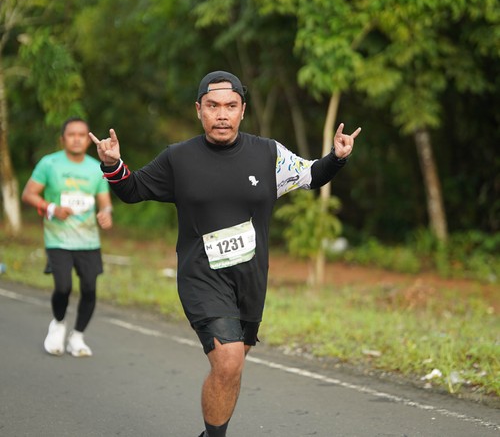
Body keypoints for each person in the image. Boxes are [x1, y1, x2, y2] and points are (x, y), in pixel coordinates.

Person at [89, 71, 361, 436]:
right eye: (213, 106)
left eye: (230, 106)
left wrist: (337, 157)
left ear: (242, 111)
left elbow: (311, 174)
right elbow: (133, 189)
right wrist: (112, 164)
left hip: (251, 279)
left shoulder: (268, 153)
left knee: (231, 367)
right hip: (202, 276)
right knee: (229, 361)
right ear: (198, 110)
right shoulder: (178, 158)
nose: (221, 114)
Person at [22, 117, 113, 357]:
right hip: (58, 238)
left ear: (88, 140)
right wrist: (51, 208)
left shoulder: (96, 167)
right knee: (63, 287)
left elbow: (105, 203)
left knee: (90, 289)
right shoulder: (49, 163)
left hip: (88, 240)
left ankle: (77, 336)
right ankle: (59, 324)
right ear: (62, 139)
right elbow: (28, 194)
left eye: (81, 135)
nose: (76, 139)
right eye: (71, 134)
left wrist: (106, 214)